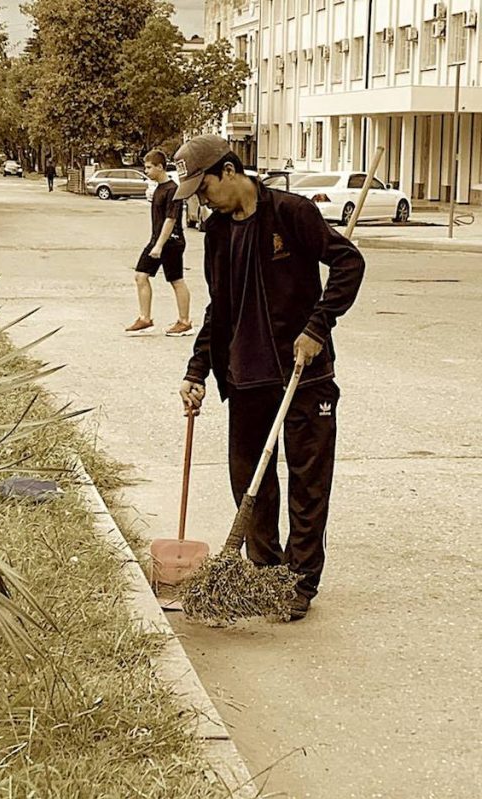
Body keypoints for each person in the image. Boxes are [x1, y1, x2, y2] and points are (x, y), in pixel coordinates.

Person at [173, 134, 365, 621]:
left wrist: (317, 327)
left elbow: (348, 262)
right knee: (249, 481)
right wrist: (198, 368)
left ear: (231, 171)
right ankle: (265, 570)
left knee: (307, 482)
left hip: (304, 375)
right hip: (246, 378)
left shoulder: (291, 213)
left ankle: (300, 582)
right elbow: (220, 306)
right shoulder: (217, 233)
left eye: (204, 187)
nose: (202, 199)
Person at [125, 149, 193, 336]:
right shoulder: (159, 189)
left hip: (171, 242)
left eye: (149, 167)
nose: (146, 171)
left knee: (176, 280)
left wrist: (159, 245)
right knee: (141, 275)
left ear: (160, 167)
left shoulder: (172, 190)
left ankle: (184, 322)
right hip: (158, 240)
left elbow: (170, 220)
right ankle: (145, 319)